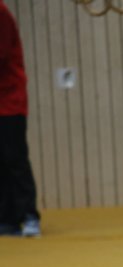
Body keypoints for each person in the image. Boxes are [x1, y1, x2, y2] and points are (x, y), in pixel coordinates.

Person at [0, 0, 40, 237]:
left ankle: (29, 216)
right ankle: (7, 218)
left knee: (14, 159)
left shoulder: (0, 12)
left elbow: (2, 54)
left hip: (9, 101)